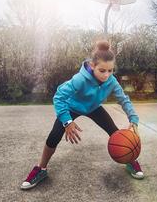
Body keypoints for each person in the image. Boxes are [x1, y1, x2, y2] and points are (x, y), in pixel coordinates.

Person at [21, 40, 144, 190]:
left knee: (117, 134)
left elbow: (124, 100)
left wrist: (134, 119)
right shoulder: (80, 79)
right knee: (53, 136)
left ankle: (129, 159)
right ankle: (41, 169)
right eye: (102, 70)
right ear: (93, 66)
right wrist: (67, 122)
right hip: (72, 107)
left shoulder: (111, 81)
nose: (107, 75)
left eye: (110, 70)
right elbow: (59, 97)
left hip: (93, 108)